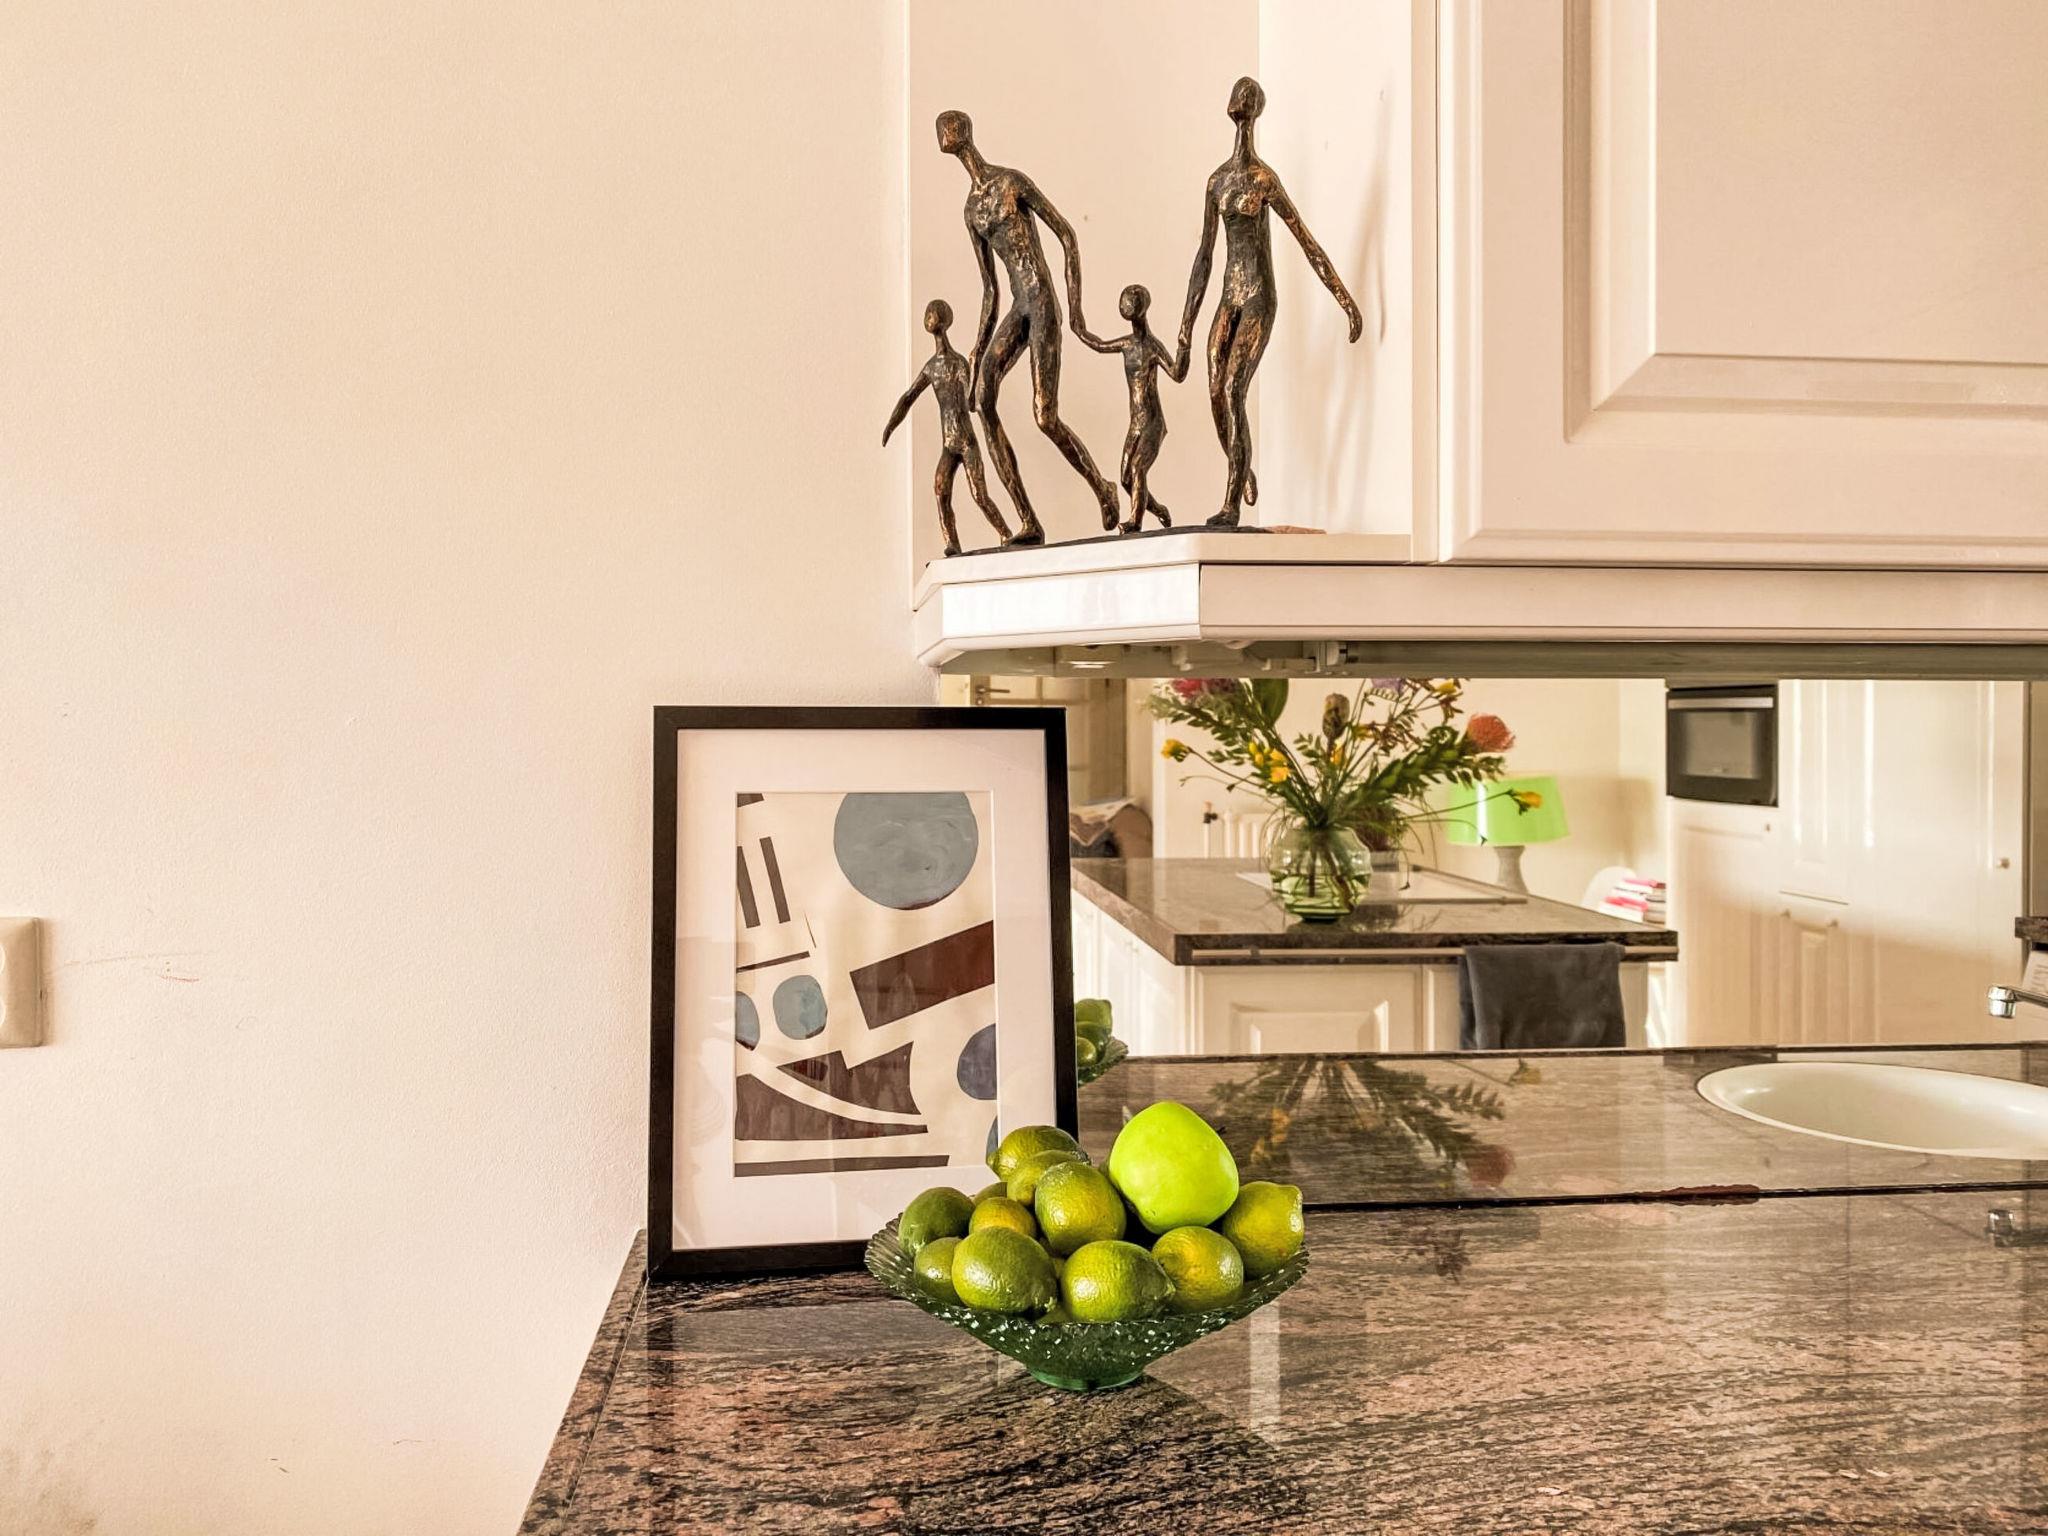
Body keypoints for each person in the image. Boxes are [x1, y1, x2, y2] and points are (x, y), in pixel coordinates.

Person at [1177, 76, 1363, 527]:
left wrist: (1344, 300)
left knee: (1233, 390)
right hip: (1229, 295)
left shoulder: (1263, 180)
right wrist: (1185, 328)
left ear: (1253, 109)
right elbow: (1204, 255)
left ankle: (1231, 502)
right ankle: (1242, 467)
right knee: (1214, 391)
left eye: (1246, 97)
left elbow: (1306, 241)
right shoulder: (1218, 181)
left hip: (1259, 297)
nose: (1239, 101)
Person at [936, 109, 1121, 537]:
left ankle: (1103, 487)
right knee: (983, 397)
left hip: (1041, 302)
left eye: (947, 127)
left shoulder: (1010, 182)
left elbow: (1067, 234)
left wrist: (1076, 314)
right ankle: (1028, 520)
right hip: (1019, 306)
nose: (943, 133)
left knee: (1045, 416)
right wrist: (978, 350)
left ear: (963, 131)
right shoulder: (972, 210)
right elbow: (990, 289)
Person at [882, 299, 1017, 556]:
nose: (929, 318)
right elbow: (908, 397)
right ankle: (952, 543)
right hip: (949, 445)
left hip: (966, 442)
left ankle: (1006, 533)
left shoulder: (959, 363)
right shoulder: (931, 368)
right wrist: (891, 425)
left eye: (931, 314)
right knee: (941, 489)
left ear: (942, 320)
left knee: (979, 495)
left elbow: (971, 399)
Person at [1075, 284, 1188, 533]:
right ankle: (1159, 510)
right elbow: (1099, 344)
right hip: (1136, 423)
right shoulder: (1127, 345)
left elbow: (1177, 374)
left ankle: (1135, 522)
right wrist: (1078, 324)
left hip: (1153, 422)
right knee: (1126, 479)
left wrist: (1184, 345)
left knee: (1138, 469)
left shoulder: (1153, 347)